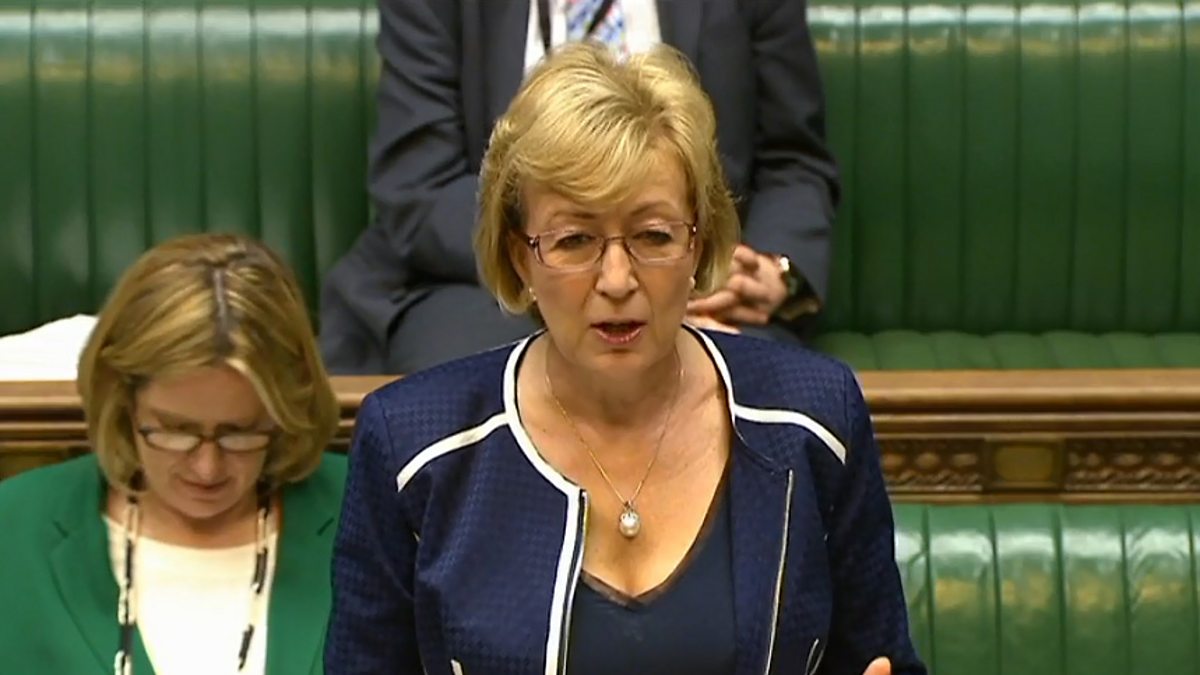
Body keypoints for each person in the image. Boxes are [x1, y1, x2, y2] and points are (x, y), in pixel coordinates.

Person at [325, 43, 923, 675]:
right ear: (522, 258)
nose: (616, 279)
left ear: (699, 245)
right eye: (575, 240)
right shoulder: (414, 448)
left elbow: (883, 659)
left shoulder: (814, 420)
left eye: (653, 236)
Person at [320, 0, 839, 374]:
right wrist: (566, 266)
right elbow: (419, 185)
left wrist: (773, 270)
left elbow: (793, 160)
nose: (614, 278)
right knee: (481, 382)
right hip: (489, 285)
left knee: (752, 385)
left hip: (695, 279)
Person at [0, 233, 346, 675]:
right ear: (123, 403)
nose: (207, 468)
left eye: (239, 434)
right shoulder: (15, 527)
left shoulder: (371, 513)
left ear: (285, 413)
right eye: (174, 431)